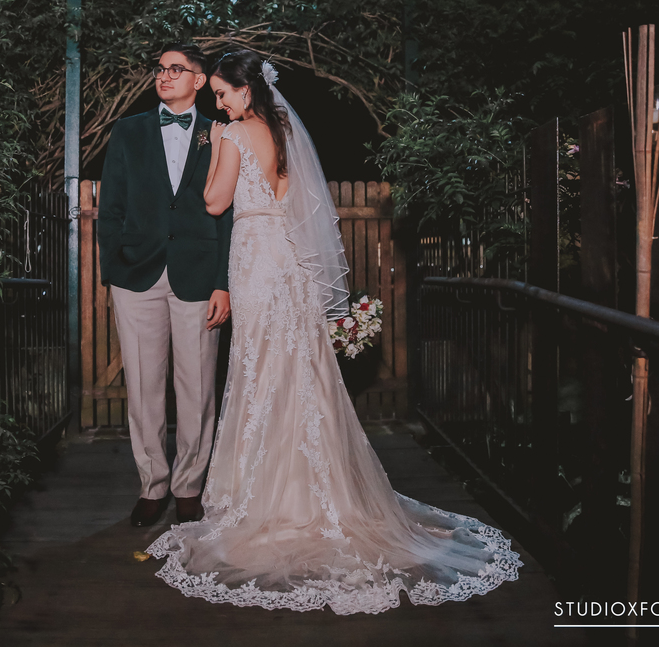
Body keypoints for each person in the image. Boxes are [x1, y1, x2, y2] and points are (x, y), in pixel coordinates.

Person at [146, 50, 522, 615]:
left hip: (257, 262)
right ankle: (316, 490)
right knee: (300, 369)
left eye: (222, 93)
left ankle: (271, 498)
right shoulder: (282, 131)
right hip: (290, 263)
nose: (218, 103)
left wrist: (217, 148)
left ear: (246, 91)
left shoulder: (234, 133)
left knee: (260, 369)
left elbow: (215, 201)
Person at [97, 43, 233, 528]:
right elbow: (111, 205)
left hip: (198, 276)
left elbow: (229, 214)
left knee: (197, 387)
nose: (165, 75)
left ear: (199, 80)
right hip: (136, 275)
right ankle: (152, 485)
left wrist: (223, 282)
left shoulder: (221, 132)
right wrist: (113, 266)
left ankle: (189, 486)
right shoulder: (128, 130)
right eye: (160, 68)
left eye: (177, 69)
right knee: (142, 386)